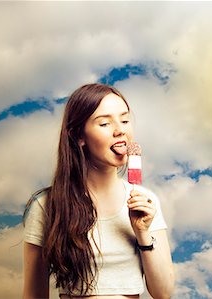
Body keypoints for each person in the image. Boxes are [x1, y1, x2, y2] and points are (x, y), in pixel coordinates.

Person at [22, 83, 174, 299]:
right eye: (104, 123)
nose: (120, 130)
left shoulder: (146, 202)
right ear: (78, 136)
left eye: (124, 120)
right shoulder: (47, 205)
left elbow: (163, 293)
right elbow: (33, 294)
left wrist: (143, 233)